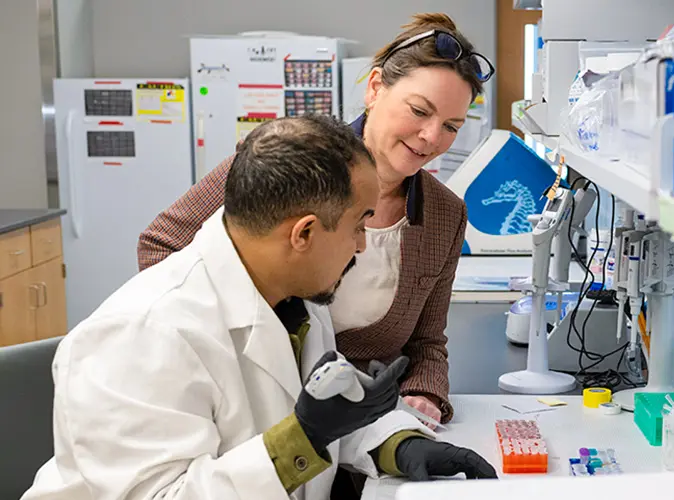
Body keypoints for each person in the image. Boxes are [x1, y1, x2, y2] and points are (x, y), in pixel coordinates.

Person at [22, 116, 495, 500]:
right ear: (303, 233)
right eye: (358, 225)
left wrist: (395, 442)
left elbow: (320, 420)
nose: (360, 247)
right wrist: (301, 439)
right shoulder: (140, 333)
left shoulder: (297, 302)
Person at [137, 13, 495, 428]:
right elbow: (161, 247)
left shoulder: (444, 216)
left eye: (451, 126)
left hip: (365, 430)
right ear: (376, 88)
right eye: (419, 111)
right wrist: (235, 349)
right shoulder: (288, 162)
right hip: (248, 411)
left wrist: (425, 393)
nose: (432, 137)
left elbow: (427, 342)